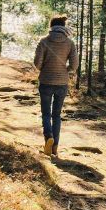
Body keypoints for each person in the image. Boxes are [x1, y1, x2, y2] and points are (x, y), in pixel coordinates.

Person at [33, 14, 78, 158]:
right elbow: (74, 65)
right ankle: (55, 147)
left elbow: (37, 63)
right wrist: (67, 71)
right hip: (62, 83)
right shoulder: (70, 43)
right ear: (63, 27)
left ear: (51, 26)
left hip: (46, 81)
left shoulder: (44, 41)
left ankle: (48, 138)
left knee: (46, 114)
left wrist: (44, 69)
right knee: (56, 115)